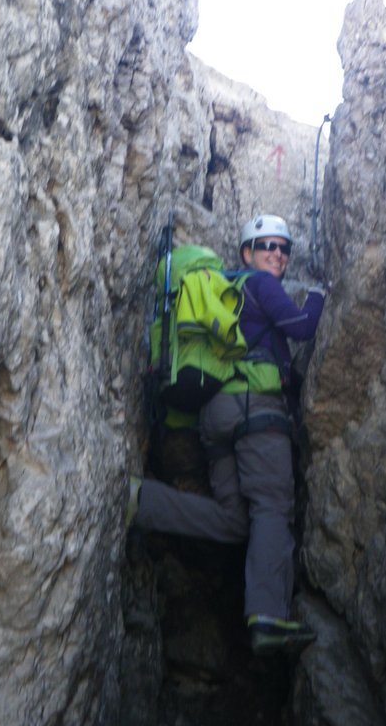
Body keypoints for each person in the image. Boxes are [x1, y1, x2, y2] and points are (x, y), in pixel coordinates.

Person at [128, 213, 326, 654]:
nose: (276, 254)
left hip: (216, 416)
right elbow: (302, 328)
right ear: (247, 253)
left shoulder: (229, 291)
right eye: (267, 246)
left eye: (283, 248)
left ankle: (140, 501)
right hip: (256, 409)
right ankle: (270, 615)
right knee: (273, 506)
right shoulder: (261, 285)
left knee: (237, 520)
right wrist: (317, 295)